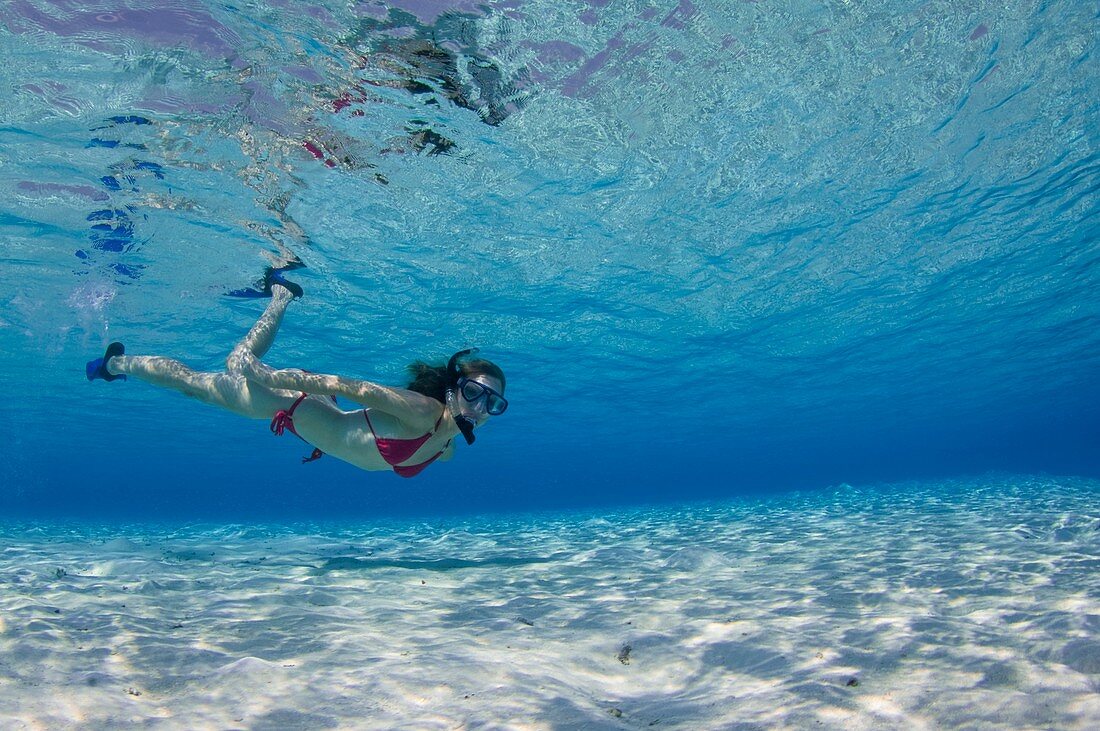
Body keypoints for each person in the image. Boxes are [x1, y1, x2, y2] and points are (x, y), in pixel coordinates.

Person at [85, 268, 507, 478]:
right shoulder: (421, 412)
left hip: (317, 414)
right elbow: (348, 386)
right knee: (198, 383)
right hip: (291, 401)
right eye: (474, 392)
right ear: (453, 390)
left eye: (494, 402)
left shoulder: (448, 445)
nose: (482, 407)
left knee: (204, 384)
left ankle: (280, 295)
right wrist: (270, 378)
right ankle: (115, 364)